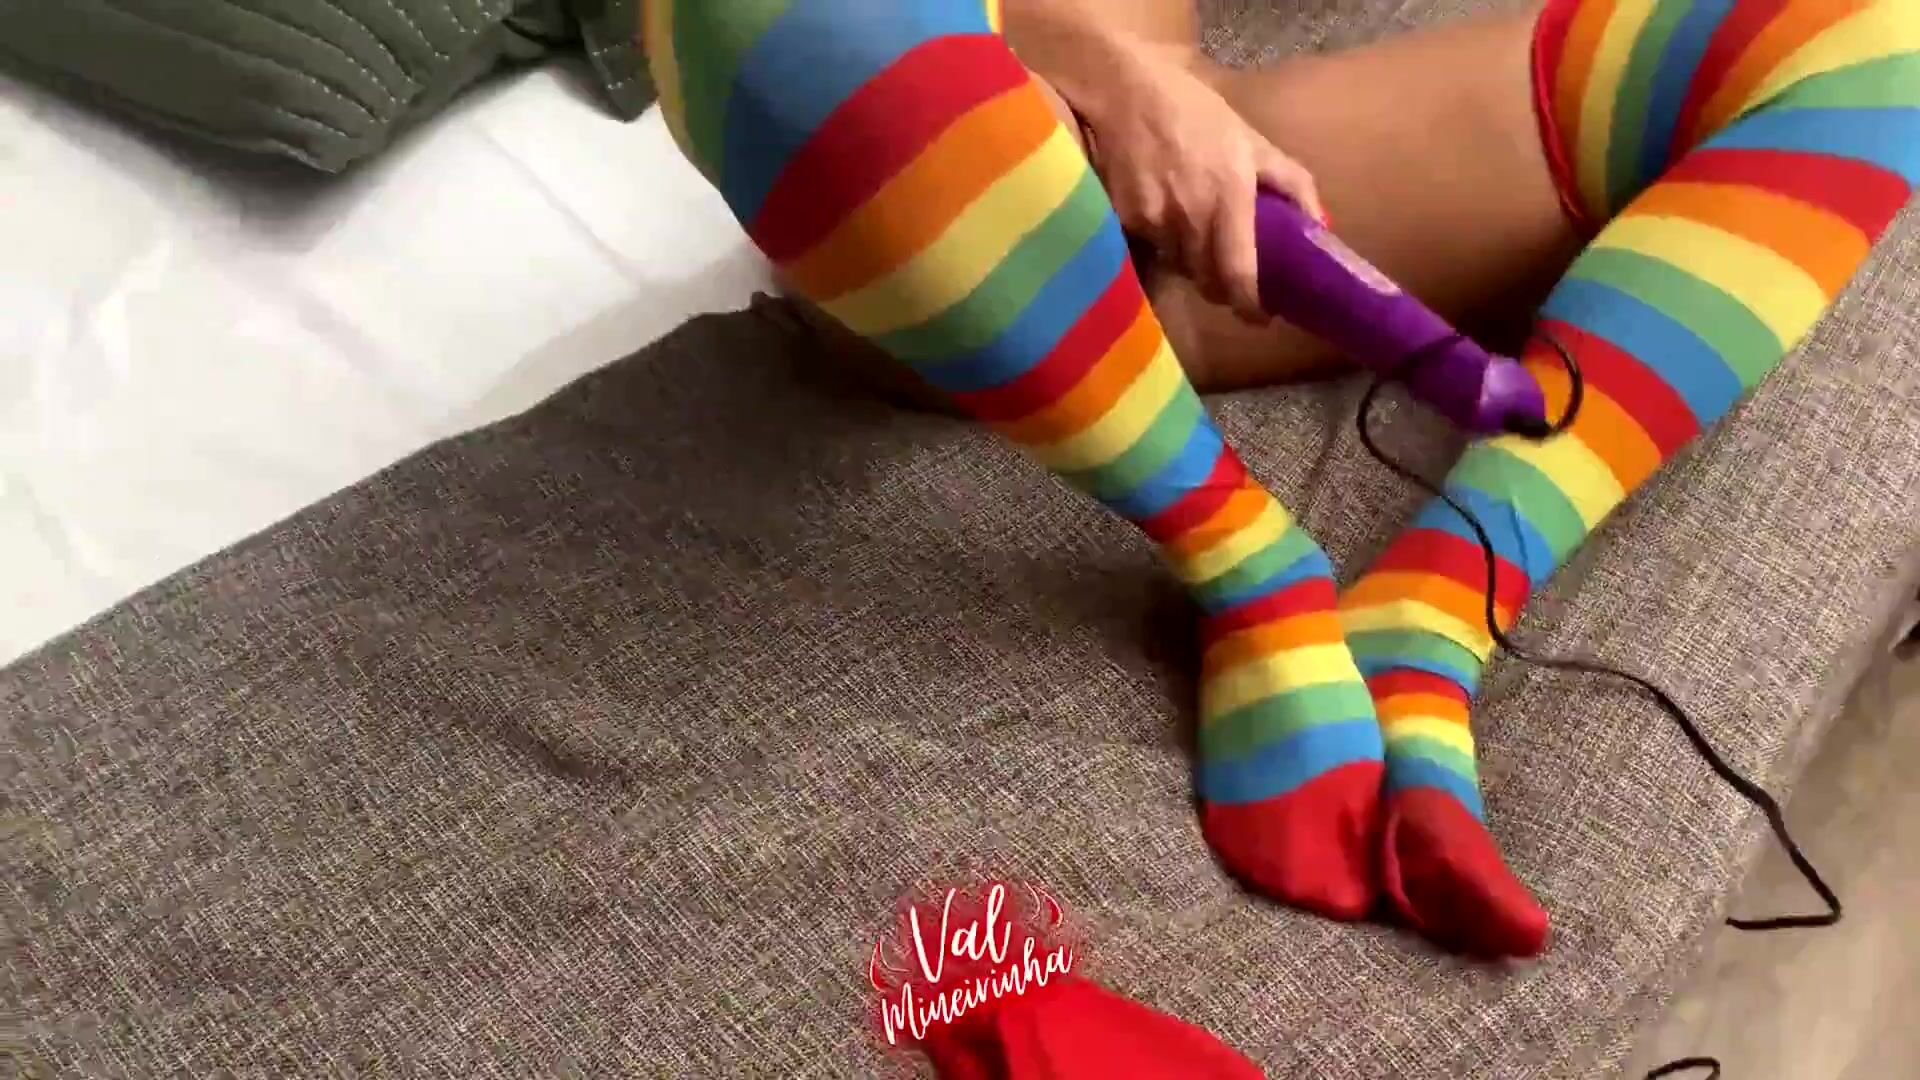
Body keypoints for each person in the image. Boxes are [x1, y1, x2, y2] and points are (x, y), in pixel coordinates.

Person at [642, 0, 1920, 959]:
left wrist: (1166, 93)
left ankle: (1440, 598)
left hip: (1232, 186)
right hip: (926, 213)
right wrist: (1108, 77)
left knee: (1866, 32)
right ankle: (1245, 562)